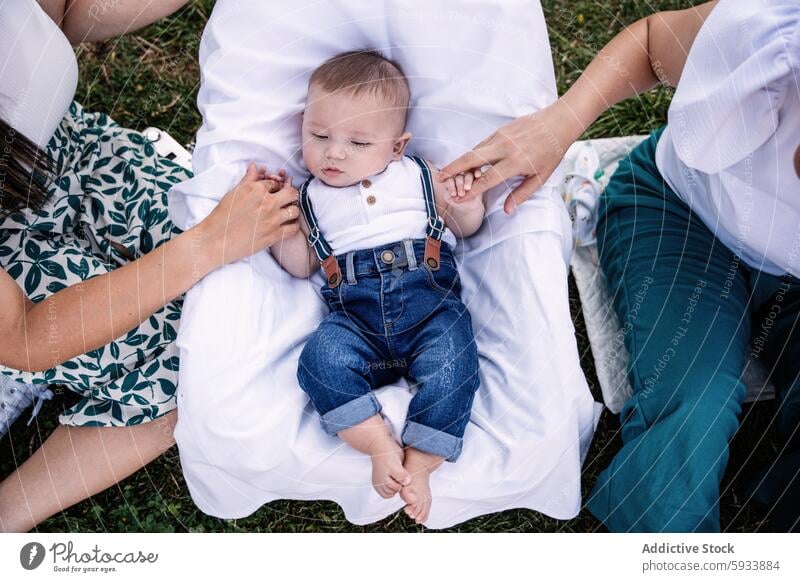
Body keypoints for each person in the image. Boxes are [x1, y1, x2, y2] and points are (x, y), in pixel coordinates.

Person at [440, 0, 800, 532]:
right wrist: (560, 122)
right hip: (685, 211)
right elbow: (656, 44)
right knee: (695, 403)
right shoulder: (769, 31)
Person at [0, 0, 301, 532]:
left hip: (56, 159)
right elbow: (24, 334)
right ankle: (10, 513)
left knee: (245, 277)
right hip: (14, 309)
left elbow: (70, 12)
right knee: (201, 355)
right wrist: (209, 243)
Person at [266, 51, 484, 524]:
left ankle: (422, 461)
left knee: (454, 365)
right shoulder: (310, 198)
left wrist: (466, 203)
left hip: (431, 308)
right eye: (318, 136)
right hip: (355, 320)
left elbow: (466, 227)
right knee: (321, 360)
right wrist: (282, 230)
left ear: (396, 147)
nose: (334, 152)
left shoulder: (421, 177)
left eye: (358, 141)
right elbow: (304, 264)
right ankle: (376, 442)